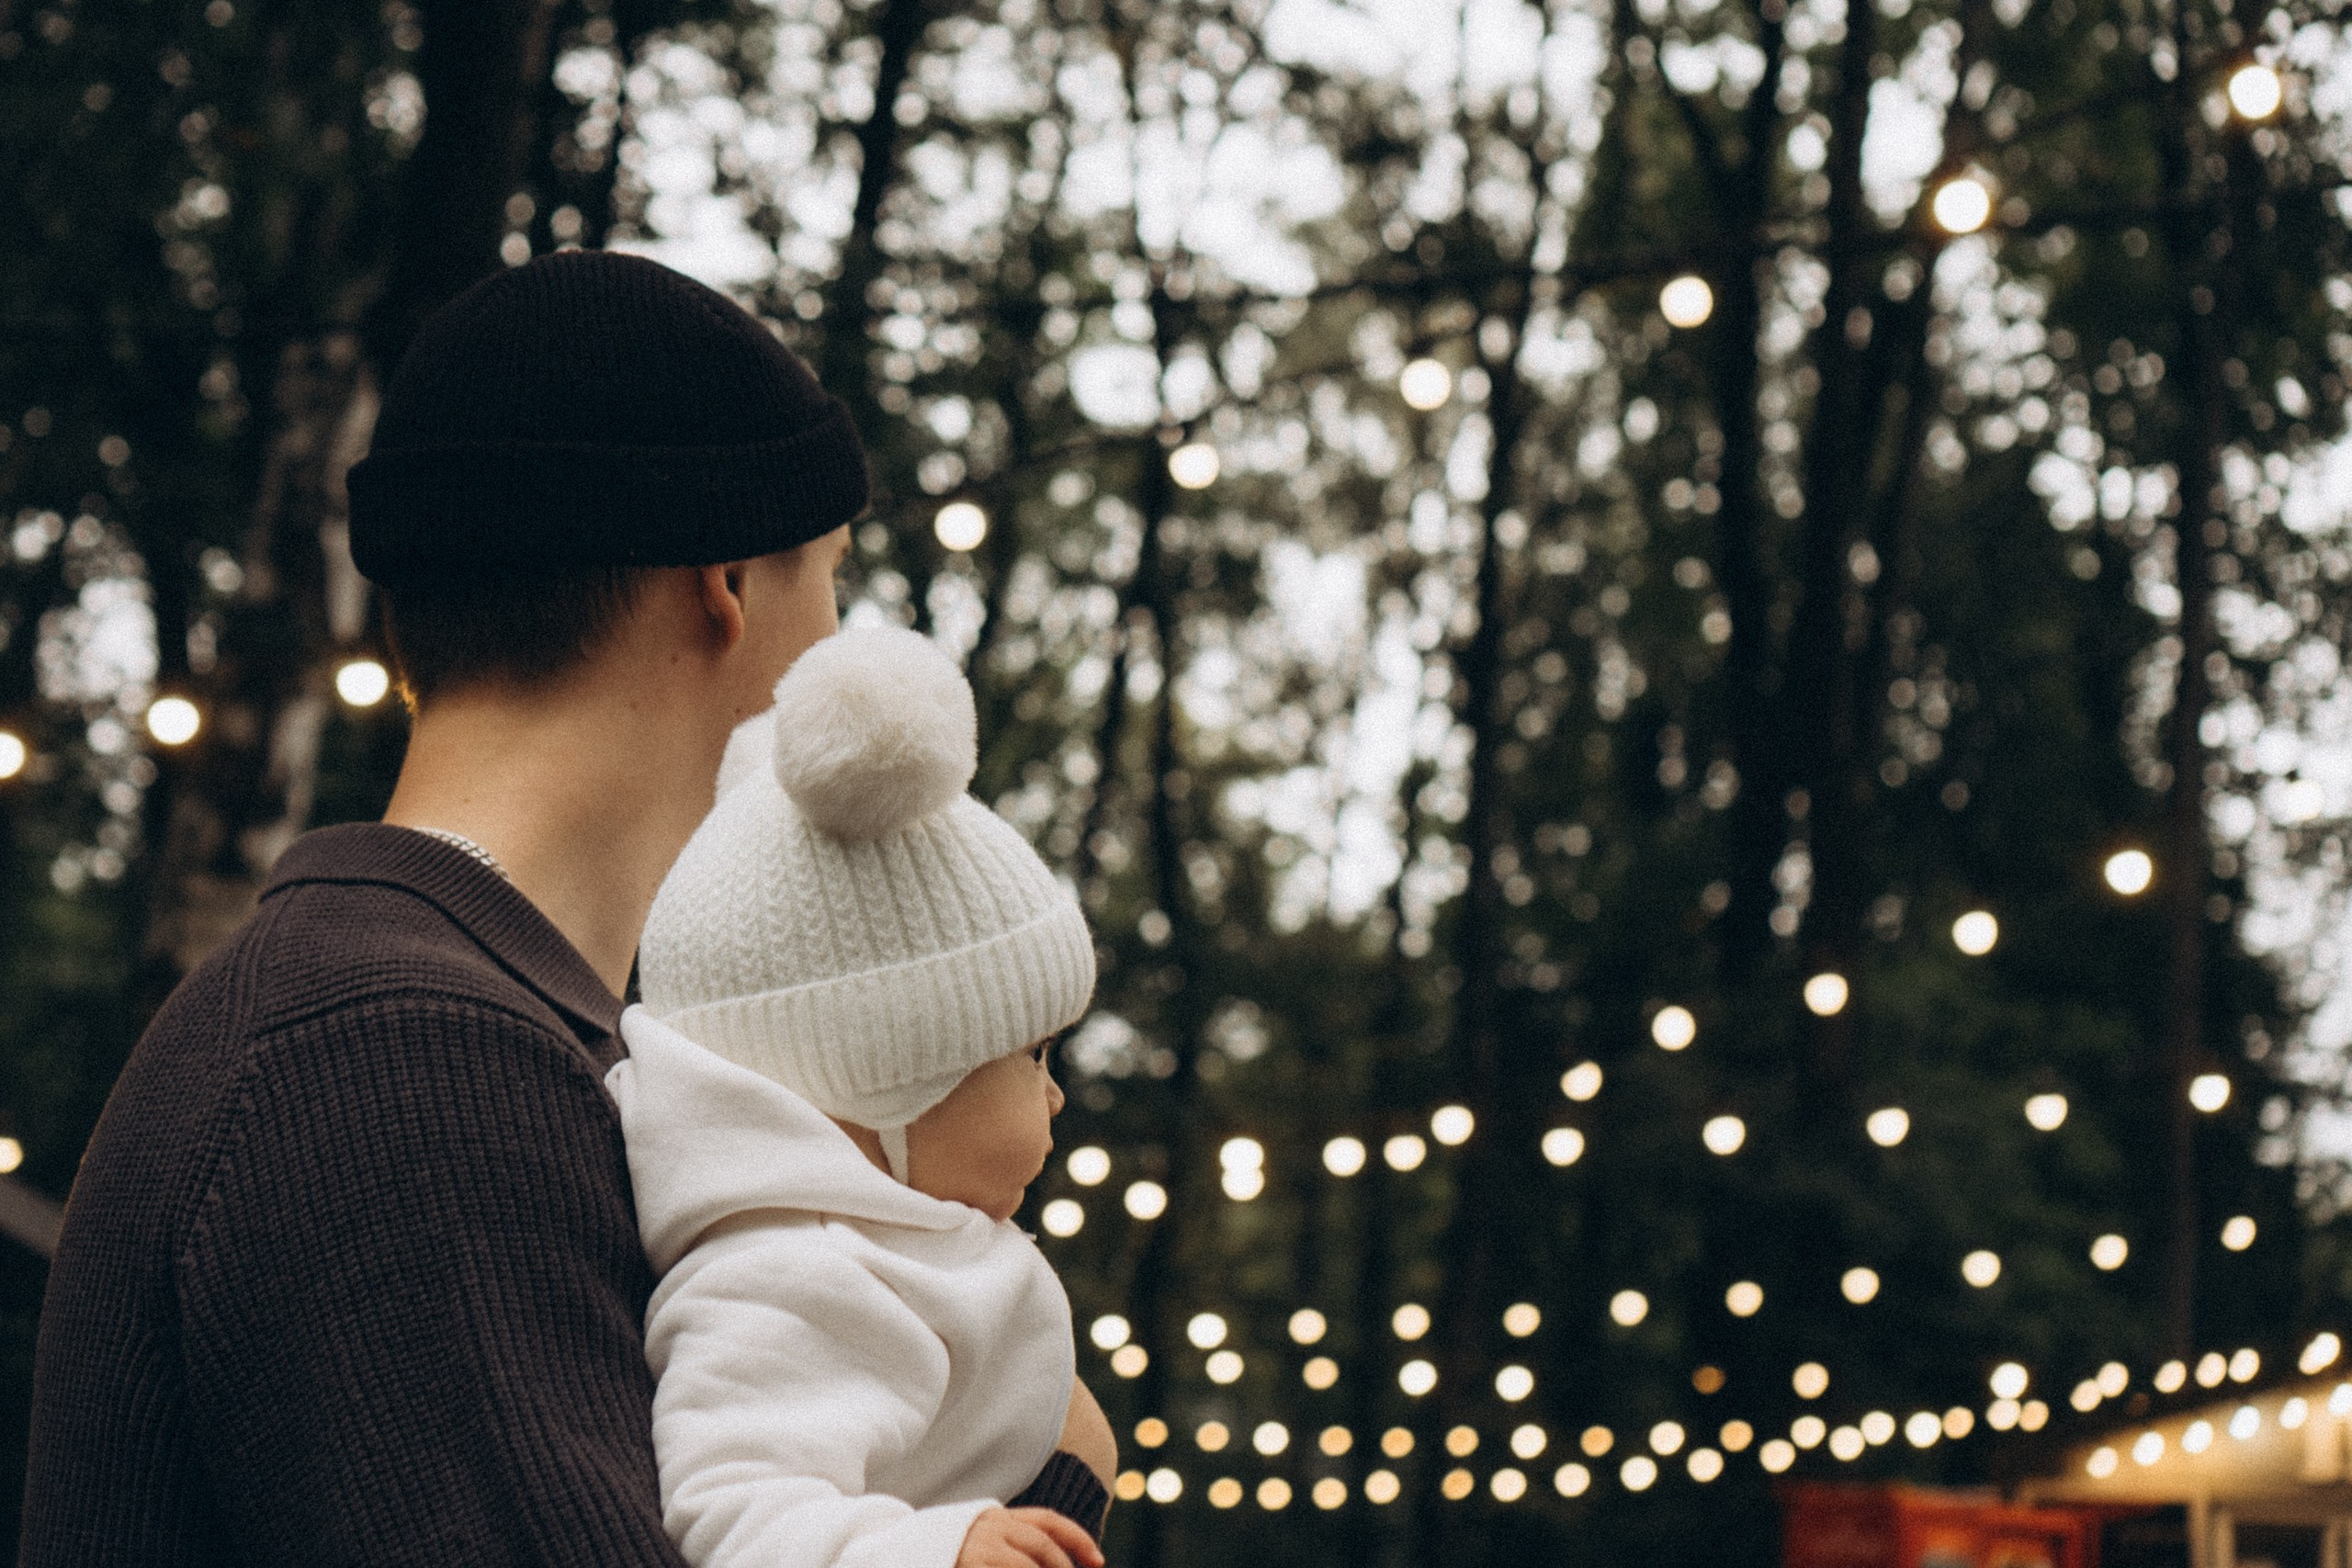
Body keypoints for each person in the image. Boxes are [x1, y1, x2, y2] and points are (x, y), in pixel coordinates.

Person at [17, 250, 1094, 1565]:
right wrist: (1054, 1477)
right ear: (731, 583)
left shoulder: (430, 1025)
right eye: (833, 574)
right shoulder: (401, 1058)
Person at [611, 622, 1114, 1568]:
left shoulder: (875, 1247)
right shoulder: (790, 1273)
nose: (1053, 1100)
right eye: (1033, 1055)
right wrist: (936, 1552)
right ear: (885, 1074)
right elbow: (734, 1513)